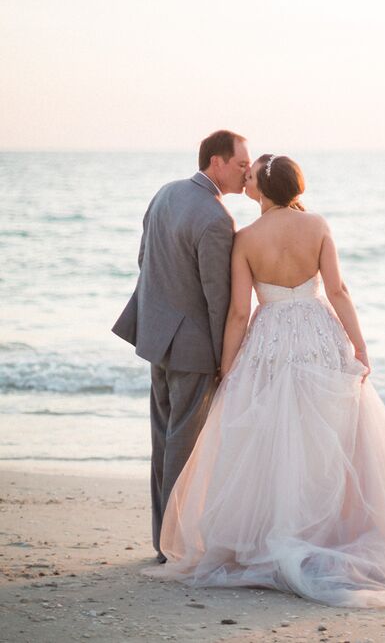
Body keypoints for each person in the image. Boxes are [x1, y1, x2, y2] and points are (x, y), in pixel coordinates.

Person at [146, 154, 385, 608]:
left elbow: (239, 312)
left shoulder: (245, 238)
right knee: (328, 437)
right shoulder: (319, 225)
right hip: (319, 336)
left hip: (269, 340)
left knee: (272, 438)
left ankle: (274, 533)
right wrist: (359, 346)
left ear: (263, 191)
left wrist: (229, 366)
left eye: (251, 177)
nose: (245, 180)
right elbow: (339, 291)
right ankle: (328, 530)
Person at [112, 129, 251, 562]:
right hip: (191, 349)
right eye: (241, 164)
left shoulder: (165, 193)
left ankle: (162, 539)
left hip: (156, 337)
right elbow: (218, 299)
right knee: (183, 446)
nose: (247, 172)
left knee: (163, 440)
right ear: (216, 162)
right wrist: (223, 358)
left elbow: (143, 258)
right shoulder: (216, 219)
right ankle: (172, 547)